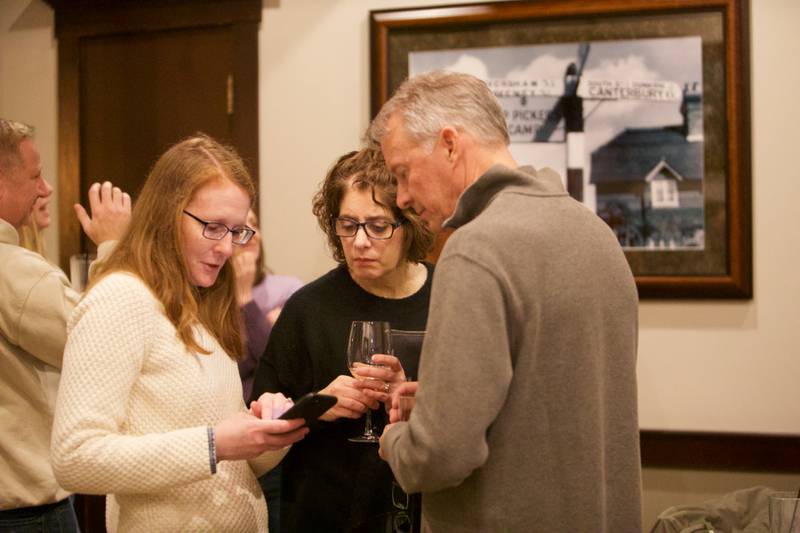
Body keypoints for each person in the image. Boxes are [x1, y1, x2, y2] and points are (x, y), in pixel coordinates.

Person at [369, 70, 642, 532]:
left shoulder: (477, 249)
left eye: (403, 172)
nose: (402, 197)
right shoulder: (596, 234)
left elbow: (438, 455)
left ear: (451, 144)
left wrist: (397, 439)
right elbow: (552, 400)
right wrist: (441, 404)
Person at [50, 134, 309, 532]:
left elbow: (231, 464)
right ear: (167, 214)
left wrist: (266, 431)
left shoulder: (198, 303)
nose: (227, 248)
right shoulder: (120, 300)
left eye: (237, 231)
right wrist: (215, 443)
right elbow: (75, 458)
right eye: (213, 227)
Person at [250, 147, 434, 532]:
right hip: (327, 512)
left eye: (378, 226)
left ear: (409, 224)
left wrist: (421, 400)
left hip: (428, 512)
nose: (360, 242)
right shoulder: (309, 308)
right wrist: (320, 406)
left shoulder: (448, 295)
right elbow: (261, 417)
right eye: (348, 225)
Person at [0, 118, 131, 531]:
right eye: (35, 176)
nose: (45, 188)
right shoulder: (16, 273)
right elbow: (100, 349)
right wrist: (113, 246)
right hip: (25, 514)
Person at [232, 208, 303, 533]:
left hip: (269, 442)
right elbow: (234, 364)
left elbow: (272, 363)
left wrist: (244, 298)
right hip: (224, 437)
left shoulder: (288, 290)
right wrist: (262, 320)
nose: (250, 233)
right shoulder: (204, 298)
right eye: (239, 227)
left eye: (254, 225)